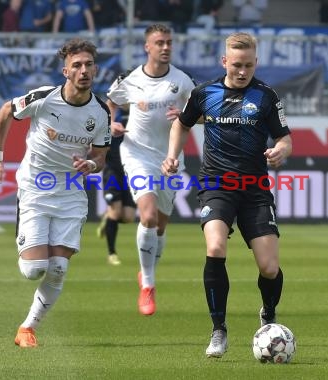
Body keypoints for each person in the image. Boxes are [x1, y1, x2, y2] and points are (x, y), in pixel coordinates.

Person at [161, 32, 292, 358]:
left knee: (269, 268)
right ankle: (219, 330)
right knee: (216, 246)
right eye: (236, 65)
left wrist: (280, 151)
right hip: (216, 185)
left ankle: (268, 313)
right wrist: (173, 155)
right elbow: (181, 124)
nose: (242, 71)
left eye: (248, 65)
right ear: (224, 62)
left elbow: (285, 138)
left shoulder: (266, 97)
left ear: (255, 63)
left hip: (255, 190)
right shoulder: (205, 93)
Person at [0, 38, 111, 348]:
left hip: (71, 193)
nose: (84, 71)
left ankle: (27, 329)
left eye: (88, 65)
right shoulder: (43, 98)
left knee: (58, 268)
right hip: (35, 189)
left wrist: (91, 166)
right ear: (65, 71)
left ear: (95, 69)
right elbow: (5, 111)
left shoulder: (101, 111)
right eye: (77, 65)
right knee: (33, 270)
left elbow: (100, 157)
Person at [105, 24, 196, 316]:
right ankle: (148, 283)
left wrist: (186, 116)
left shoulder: (182, 81)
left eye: (169, 42)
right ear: (147, 47)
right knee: (147, 215)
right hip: (136, 154)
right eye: (160, 42)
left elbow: (201, 114)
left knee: (160, 226)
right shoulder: (129, 79)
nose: (166, 47)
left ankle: (147, 272)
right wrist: (111, 123)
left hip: (170, 159)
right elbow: (110, 102)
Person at [97, 108, 137, 266]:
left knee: (128, 217)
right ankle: (111, 253)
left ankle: (107, 220)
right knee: (115, 211)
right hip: (112, 171)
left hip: (131, 171)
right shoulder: (111, 116)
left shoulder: (139, 117)